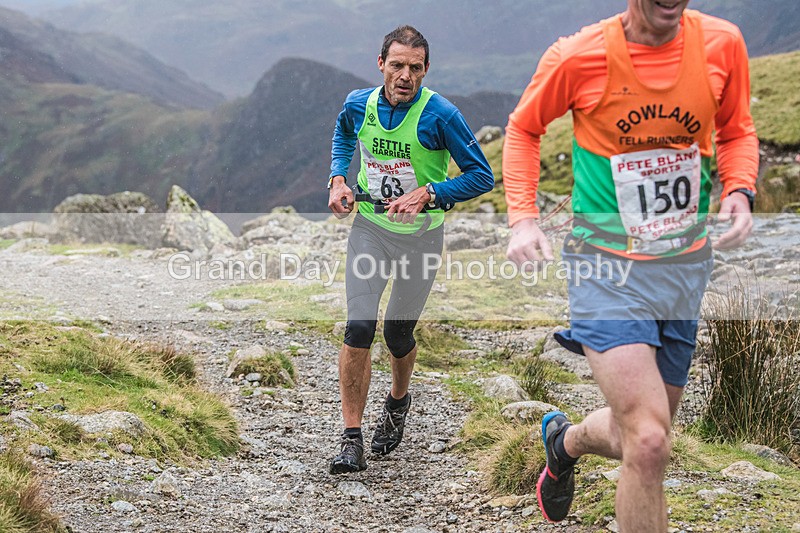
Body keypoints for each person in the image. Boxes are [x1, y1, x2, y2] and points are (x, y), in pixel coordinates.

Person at [503, 1, 757, 530]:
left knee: (637, 435)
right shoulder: (579, 56)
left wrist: (738, 188)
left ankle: (564, 441)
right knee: (648, 440)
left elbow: (735, 130)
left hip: (682, 272)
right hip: (605, 270)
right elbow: (524, 129)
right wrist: (523, 219)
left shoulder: (723, 44)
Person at [326, 25, 493, 474]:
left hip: (421, 238)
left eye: (415, 68)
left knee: (398, 336)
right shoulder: (358, 103)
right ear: (380, 64)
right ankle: (351, 438)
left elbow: (481, 176)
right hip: (371, 229)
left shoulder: (441, 114)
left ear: (426, 70)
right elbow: (343, 136)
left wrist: (431, 192)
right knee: (359, 327)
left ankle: (398, 401)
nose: (405, 76)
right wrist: (339, 179)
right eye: (397, 65)